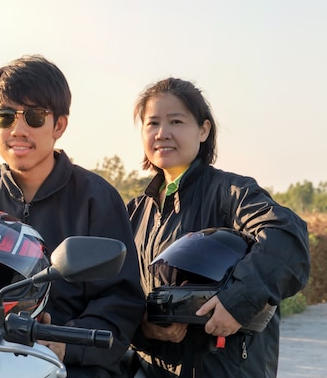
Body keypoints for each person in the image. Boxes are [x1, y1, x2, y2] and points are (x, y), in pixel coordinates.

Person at [0, 54, 145, 378]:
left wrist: (61, 345)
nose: (19, 129)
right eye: (6, 117)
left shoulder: (97, 199)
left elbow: (120, 302)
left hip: (74, 367)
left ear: (59, 125)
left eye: (35, 117)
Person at [126, 77, 311, 378]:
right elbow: (114, 295)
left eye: (176, 121)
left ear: (203, 129)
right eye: (152, 123)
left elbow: (287, 237)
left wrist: (236, 302)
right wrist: (144, 327)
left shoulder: (230, 193)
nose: (163, 133)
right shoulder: (132, 213)